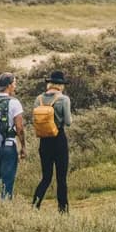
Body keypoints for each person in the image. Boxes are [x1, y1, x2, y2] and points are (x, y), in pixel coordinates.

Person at [31, 70, 72, 213]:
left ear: (50, 83)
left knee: (46, 177)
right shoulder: (63, 99)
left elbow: (35, 120)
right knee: (61, 178)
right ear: (61, 85)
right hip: (59, 139)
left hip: (44, 141)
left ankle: (35, 206)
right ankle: (63, 210)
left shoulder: (39, 99)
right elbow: (68, 122)